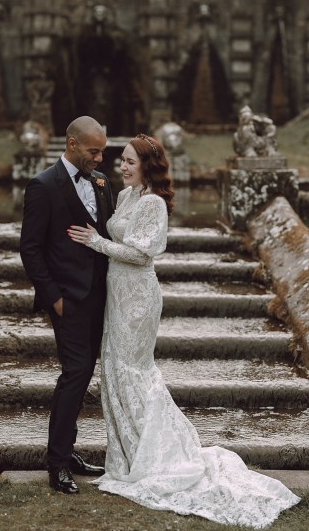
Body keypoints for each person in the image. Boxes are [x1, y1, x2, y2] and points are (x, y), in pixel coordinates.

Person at [68, 133, 300, 528]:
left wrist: (96, 243)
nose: (121, 166)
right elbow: (117, 236)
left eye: (129, 161)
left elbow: (144, 254)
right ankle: (128, 456)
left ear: (147, 166)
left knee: (134, 371)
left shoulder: (154, 203)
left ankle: (159, 457)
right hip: (117, 294)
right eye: (120, 160)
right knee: (113, 371)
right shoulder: (126, 197)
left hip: (139, 297)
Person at [20, 116, 114, 495]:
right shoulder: (42, 185)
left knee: (82, 375)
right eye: (94, 151)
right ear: (71, 144)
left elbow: (104, 235)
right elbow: (30, 249)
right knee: (74, 375)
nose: (100, 158)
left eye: (103, 150)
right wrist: (54, 298)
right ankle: (57, 463)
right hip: (68, 301)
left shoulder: (101, 182)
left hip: (102, 298)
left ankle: (68, 452)